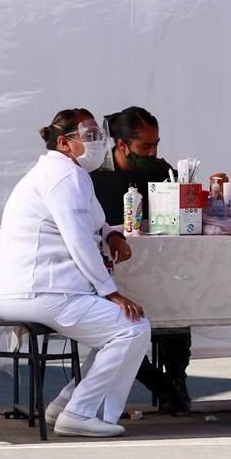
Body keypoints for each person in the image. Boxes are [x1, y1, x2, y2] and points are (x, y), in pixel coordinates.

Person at [0, 109, 151, 437]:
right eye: (89, 136)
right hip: (39, 291)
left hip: (27, 291)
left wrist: (111, 233)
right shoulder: (64, 177)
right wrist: (110, 291)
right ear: (64, 142)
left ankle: (66, 404)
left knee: (118, 331)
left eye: (98, 135)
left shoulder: (62, 173)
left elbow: (92, 223)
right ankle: (79, 413)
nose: (98, 143)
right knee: (132, 328)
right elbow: (77, 239)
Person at [93, 106, 192, 414]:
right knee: (123, 322)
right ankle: (156, 381)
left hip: (158, 265)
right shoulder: (94, 177)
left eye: (156, 144)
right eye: (144, 146)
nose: (153, 153)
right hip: (109, 270)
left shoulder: (163, 172)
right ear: (121, 145)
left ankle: (176, 375)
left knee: (180, 297)